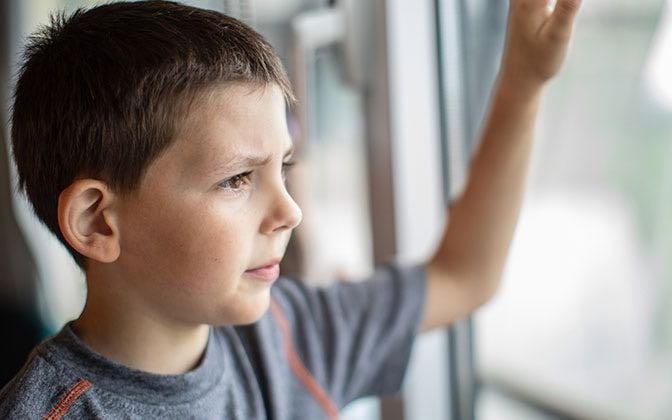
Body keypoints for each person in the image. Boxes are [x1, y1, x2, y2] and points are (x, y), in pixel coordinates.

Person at [0, 0, 580, 418]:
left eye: (286, 169)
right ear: (98, 222)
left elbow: (464, 277)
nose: (290, 211)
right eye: (236, 180)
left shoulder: (290, 334)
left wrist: (523, 82)